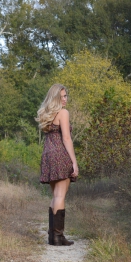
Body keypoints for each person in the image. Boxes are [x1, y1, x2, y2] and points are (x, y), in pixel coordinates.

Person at [36, 84, 78, 246]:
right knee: (60, 196)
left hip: (47, 155)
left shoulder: (47, 114)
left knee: (55, 196)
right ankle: (58, 237)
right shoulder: (63, 112)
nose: (65, 99)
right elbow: (66, 139)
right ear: (56, 99)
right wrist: (74, 162)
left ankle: (53, 236)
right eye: (62, 96)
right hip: (60, 155)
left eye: (66, 96)